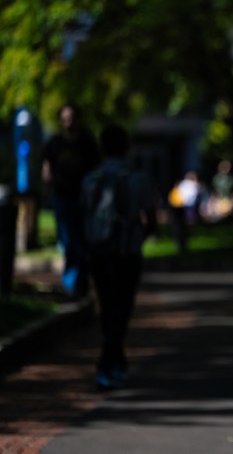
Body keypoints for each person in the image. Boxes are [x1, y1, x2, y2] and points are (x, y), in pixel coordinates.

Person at [81, 124, 156, 390]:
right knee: (122, 308)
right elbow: (151, 218)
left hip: (99, 250)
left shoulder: (91, 179)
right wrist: (137, 237)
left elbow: (84, 215)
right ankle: (108, 362)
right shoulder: (137, 178)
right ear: (126, 148)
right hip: (127, 252)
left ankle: (114, 361)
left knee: (107, 306)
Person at [42, 104, 100, 298]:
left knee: (81, 241)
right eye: (65, 118)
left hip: (83, 199)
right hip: (62, 198)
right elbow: (47, 167)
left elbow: (95, 170)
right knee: (68, 241)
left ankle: (78, 282)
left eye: (72, 117)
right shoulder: (54, 143)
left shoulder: (87, 142)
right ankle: (73, 282)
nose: (68, 122)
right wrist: (49, 186)